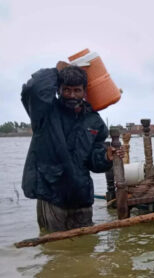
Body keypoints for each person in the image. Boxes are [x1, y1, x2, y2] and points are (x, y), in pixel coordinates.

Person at [21, 61, 123, 232]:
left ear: (85, 92)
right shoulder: (45, 112)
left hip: (81, 196)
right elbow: (33, 89)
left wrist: (106, 156)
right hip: (52, 194)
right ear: (59, 89)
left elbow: (93, 161)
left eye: (77, 90)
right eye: (66, 89)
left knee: (85, 249)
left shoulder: (94, 121)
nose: (71, 95)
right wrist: (57, 70)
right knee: (55, 249)